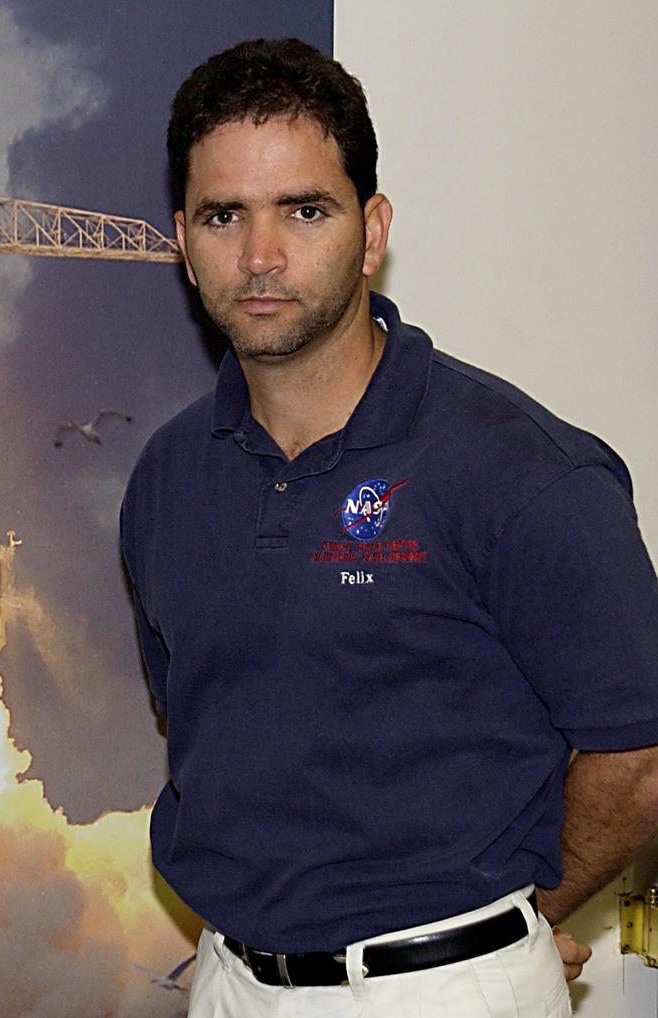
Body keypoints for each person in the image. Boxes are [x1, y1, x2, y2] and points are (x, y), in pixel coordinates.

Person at [119, 38, 658, 1017]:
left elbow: (638, 754)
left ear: (369, 232)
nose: (259, 255)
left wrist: (507, 924)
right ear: (180, 240)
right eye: (221, 215)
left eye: (303, 209)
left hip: (443, 987)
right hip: (228, 982)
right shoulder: (166, 476)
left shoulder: (519, 469)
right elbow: (207, 728)